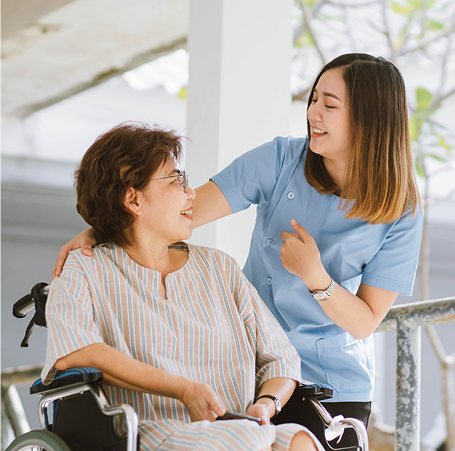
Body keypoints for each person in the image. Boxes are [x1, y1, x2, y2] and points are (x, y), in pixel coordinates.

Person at [52, 53, 423, 448]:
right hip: (256, 371)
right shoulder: (281, 160)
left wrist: (316, 277)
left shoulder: (402, 211)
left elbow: (365, 322)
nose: (313, 112)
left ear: (371, 119)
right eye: (313, 99)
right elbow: (181, 211)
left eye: (329, 105)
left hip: (333, 382)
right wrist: (102, 226)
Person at [42, 124, 324, 451]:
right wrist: (183, 389)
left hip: (240, 429)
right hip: (146, 433)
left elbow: (281, 359)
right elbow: (75, 351)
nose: (191, 193)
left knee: (299, 441)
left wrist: (266, 404)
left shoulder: (219, 268)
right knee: (245, 440)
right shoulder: (84, 268)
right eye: (177, 180)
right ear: (132, 198)